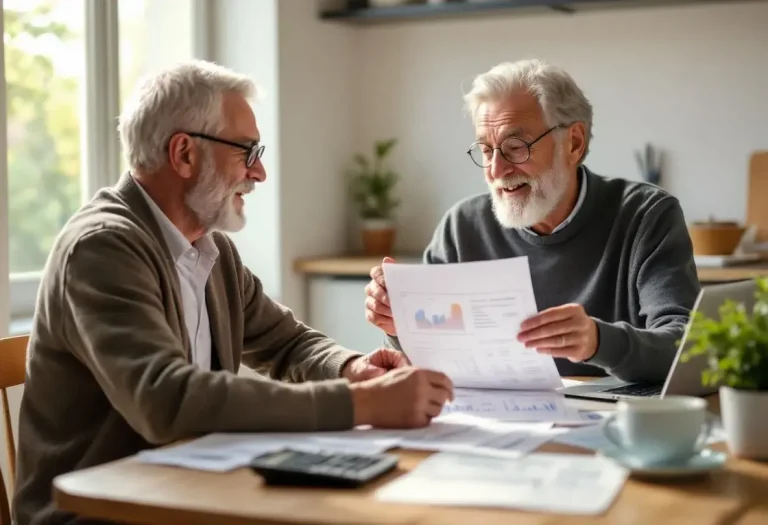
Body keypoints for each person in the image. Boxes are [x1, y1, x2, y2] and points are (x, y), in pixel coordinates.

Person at [13, 60, 454, 525]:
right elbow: (167, 400)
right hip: (101, 514)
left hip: (189, 493)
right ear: (183, 154)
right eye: (247, 151)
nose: (259, 172)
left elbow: (286, 341)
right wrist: (363, 405)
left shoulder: (211, 246)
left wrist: (352, 369)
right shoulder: (103, 246)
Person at [364, 59, 700, 384]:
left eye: (516, 147)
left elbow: (686, 348)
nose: (497, 171)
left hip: (613, 428)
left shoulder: (646, 216)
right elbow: (426, 364)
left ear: (574, 143)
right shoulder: (461, 228)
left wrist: (598, 342)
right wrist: (400, 326)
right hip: (490, 427)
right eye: (485, 150)